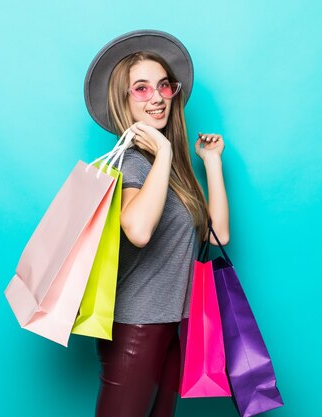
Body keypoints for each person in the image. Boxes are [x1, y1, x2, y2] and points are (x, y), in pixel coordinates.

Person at [83, 30, 230, 417]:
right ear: (123, 100)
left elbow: (219, 234)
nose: (158, 97)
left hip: (173, 324)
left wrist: (211, 162)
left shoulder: (172, 171)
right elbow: (139, 230)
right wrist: (162, 150)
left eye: (163, 86)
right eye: (142, 89)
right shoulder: (134, 162)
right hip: (136, 327)